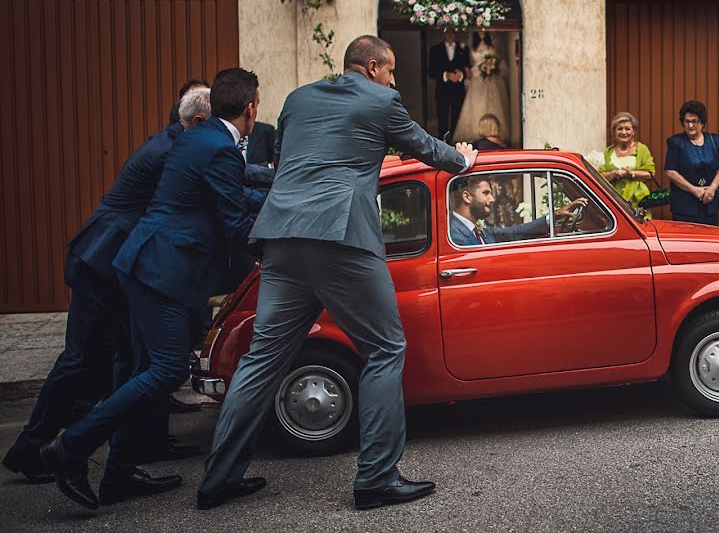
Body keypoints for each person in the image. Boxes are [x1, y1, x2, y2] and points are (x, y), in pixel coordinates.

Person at [198, 35, 477, 511]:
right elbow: (424, 147)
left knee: (263, 358)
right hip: (342, 236)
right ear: (372, 67)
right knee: (385, 348)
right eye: (390, 72)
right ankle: (376, 478)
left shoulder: (298, 99)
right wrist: (463, 159)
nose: (394, 81)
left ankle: (217, 479)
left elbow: (288, 164)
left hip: (283, 237)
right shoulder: (381, 99)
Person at [39, 69, 264, 510]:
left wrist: (285, 190)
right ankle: (70, 448)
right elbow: (235, 221)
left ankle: (119, 473)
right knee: (163, 370)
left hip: (145, 263)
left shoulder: (201, 139)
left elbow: (234, 188)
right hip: (163, 270)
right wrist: (291, 230)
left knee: (146, 369)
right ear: (251, 107)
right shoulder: (218, 146)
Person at [2, 88, 213, 486]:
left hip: (112, 260)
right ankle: (36, 450)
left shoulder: (171, 141)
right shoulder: (173, 152)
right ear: (199, 123)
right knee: (85, 361)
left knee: (129, 359)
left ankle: (130, 447)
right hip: (102, 261)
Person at [450, 175, 586, 246]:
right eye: (486, 193)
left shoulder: (476, 230)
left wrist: (554, 215)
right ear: (467, 197)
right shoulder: (454, 236)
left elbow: (515, 232)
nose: (492, 199)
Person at [664, 100, 719, 225]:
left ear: (702, 122)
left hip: (709, 203)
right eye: (687, 121)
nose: (690, 125)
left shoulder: (715, 140)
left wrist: (713, 188)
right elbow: (670, 171)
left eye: (694, 121)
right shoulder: (675, 142)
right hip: (685, 206)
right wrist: (694, 190)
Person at [454, 31, 509, 143]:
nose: (481, 31)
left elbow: (499, 60)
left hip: (490, 78)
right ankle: (476, 132)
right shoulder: (471, 43)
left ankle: (493, 131)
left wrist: (491, 66)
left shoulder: (493, 42)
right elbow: (468, 64)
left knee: (492, 104)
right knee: (476, 105)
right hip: (477, 77)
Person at [596, 112, 656, 211]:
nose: (624, 132)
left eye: (628, 129)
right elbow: (599, 176)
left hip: (637, 203)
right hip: (613, 201)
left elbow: (650, 174)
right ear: (614, 131)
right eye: (619, 129)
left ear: (633, 132)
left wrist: (630, 174)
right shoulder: (608, 151)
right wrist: (613, 174)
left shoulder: (641, 149)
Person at [428, 29, 471, 138]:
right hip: (442, 89)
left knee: (457, 117)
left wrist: (460, 76)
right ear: (444, 33)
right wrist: (446, 75)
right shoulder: (435, 49)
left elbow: (469, 69)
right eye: (448, 32)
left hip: (458, 90)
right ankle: (443, 142)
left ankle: (456, 142)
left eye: (452, 32)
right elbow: (430, 71)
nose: (450, 35)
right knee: (442, 117)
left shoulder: (463, 48)